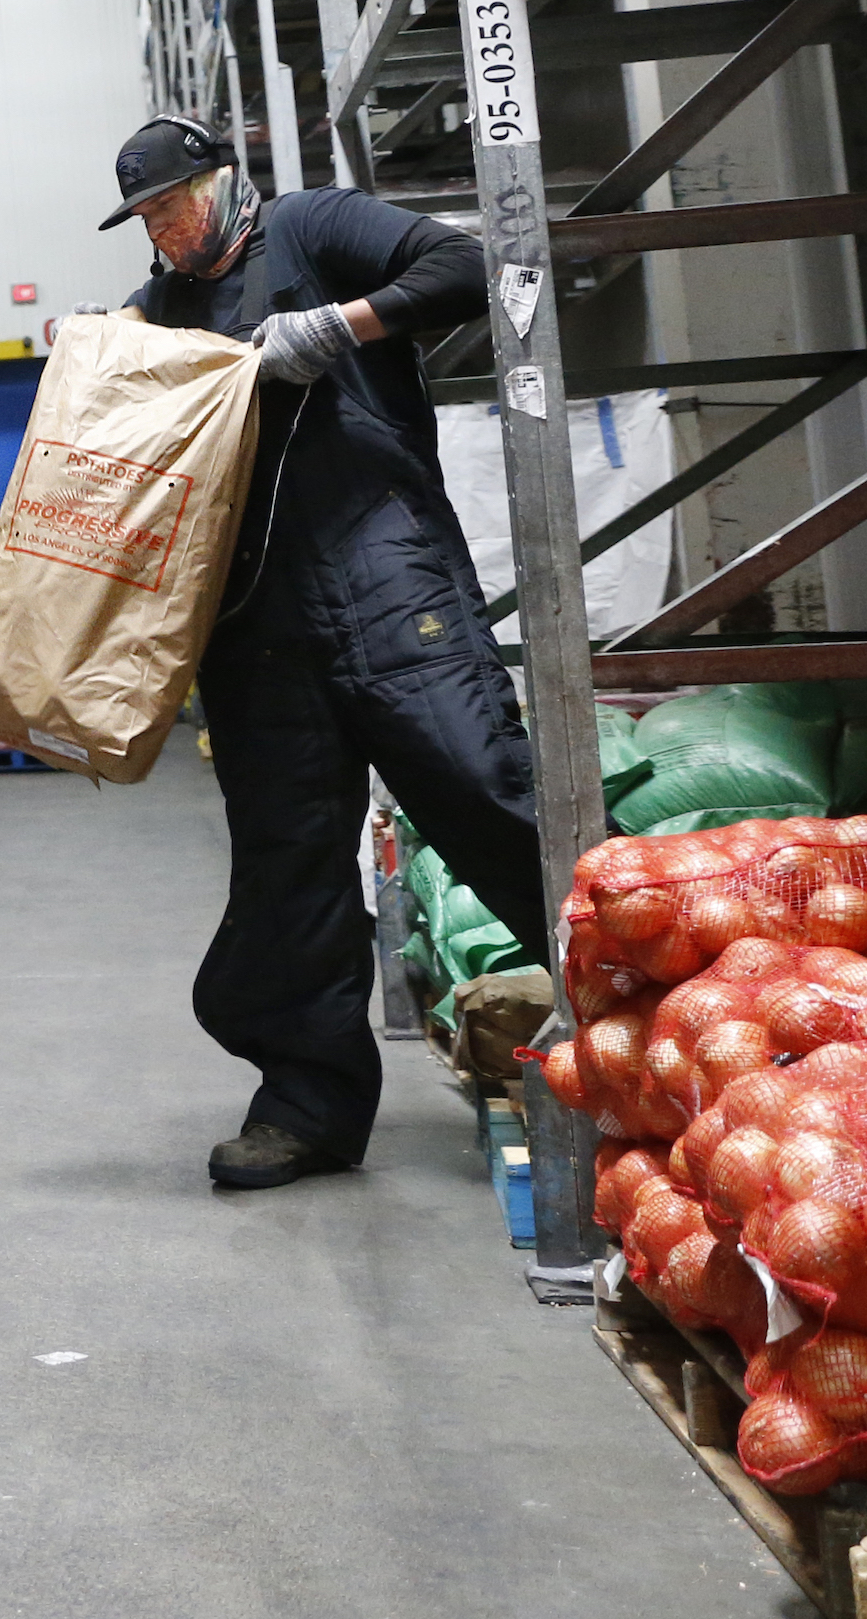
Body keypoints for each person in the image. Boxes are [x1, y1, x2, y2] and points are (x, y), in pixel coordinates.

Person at [99, 115, 548, 1191]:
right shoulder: (157, 307)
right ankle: (306, 1107)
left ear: (221, 182)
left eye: (172, 205)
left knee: (482, 786)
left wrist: (342, 326)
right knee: (289, 863)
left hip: (383, 578)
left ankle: (660, 1019)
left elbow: (467, 266)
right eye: (147, 220)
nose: (163, 231)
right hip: (253, 625)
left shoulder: (311, 227)